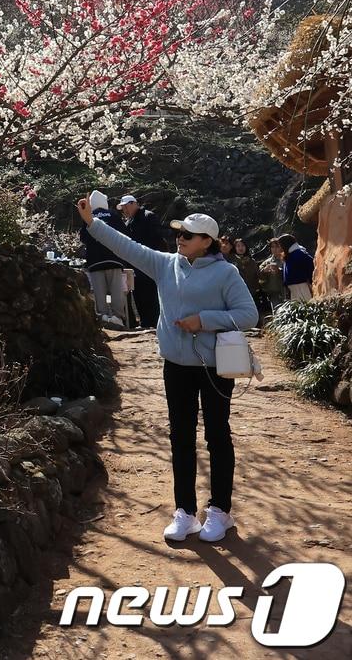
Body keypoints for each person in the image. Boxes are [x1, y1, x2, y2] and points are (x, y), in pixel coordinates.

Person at [77, 199, 257, 543]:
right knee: (181, 437)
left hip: (214, 366)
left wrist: (204, 321)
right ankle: (185, 512)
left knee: (217, 435)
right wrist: (92, 224)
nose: (181, 238)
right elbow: (126, 247)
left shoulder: (226, 273)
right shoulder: (166, 264)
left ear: (208, 241)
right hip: (175, 366)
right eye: (179, 233)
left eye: (189, 234)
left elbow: (248, 314)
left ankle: (220, 511)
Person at [78, 190, 127, 328]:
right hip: (114, 258)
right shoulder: (113, 215)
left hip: (95, 260)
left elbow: (83, 238)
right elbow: (124, 234)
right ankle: (118, 317)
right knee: (117, 290)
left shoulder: (89, 216)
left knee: (99, 292)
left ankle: (103, 316)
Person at [116, 194, 166, 328]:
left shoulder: (148, 216)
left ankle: (155, 323)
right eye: (123, 209)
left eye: (126, 207)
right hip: (135, 264)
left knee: (151, 294)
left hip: (150, 261)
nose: (125, 211)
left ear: (134, 204)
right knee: (138, 294)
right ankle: (145, 322)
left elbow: (157, 239)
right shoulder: (128, 222)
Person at [269, 233, 315, 303]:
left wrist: (312, 284)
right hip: (293, 289)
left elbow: (311, 267)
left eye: (280, 245)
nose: (279, 248)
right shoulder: (288, 255)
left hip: (302, 287)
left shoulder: (299, 253)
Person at [222, 236, 262, 314]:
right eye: (238, 246)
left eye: (242, 245)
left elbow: (257, 275)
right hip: (237, 292)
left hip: (252, 291)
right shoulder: (231, 260)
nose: (241, 248)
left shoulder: (252, 261)